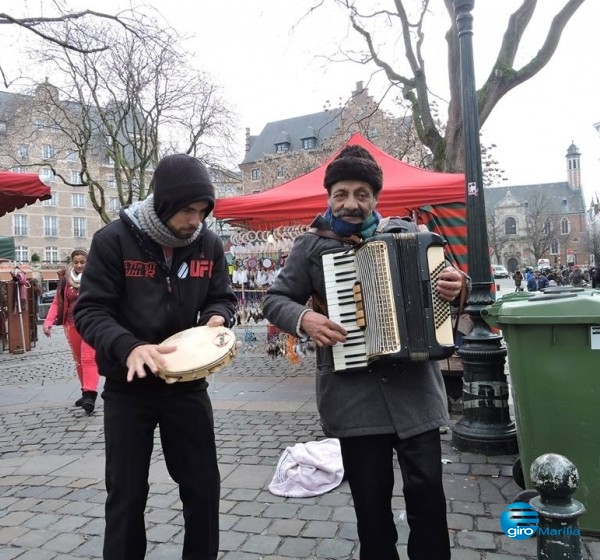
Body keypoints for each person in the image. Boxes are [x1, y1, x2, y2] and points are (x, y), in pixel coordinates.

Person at [262, 145, 467, 560]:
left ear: (375, 197)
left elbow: (449, 285)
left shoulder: (408, 234)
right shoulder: (310, 246)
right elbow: (274, 299)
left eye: (361, 193)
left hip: (415, 392)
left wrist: (457, 285)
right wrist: (305, 319)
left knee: (428, 493)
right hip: (353, 396)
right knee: (370, 504)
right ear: (329, 196)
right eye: (341, 193)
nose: (351, 203)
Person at [74, 154, 237, 560]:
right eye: (187, 210)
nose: (195, 220)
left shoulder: (209, 244)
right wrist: (130, 345)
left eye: (202, 211)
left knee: (203, 487)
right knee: (126, 494)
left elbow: (222, 296)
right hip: (129, 389)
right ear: (163, 203)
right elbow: (90, 310)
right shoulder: (113, 240)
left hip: (187, 386)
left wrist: (219, 316)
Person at [43, 249, 100, 413]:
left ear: (88, 262)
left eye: (83, 262)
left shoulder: (95, 277)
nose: (79, 265)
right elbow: (56, 302)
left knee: (88, 358)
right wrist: (48, 322)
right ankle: (85, 390)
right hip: (71, 324)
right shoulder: (65, 280)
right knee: (79, 360)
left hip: (90, 323)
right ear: (72, 262)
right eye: (76, 262)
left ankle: (90, 395)